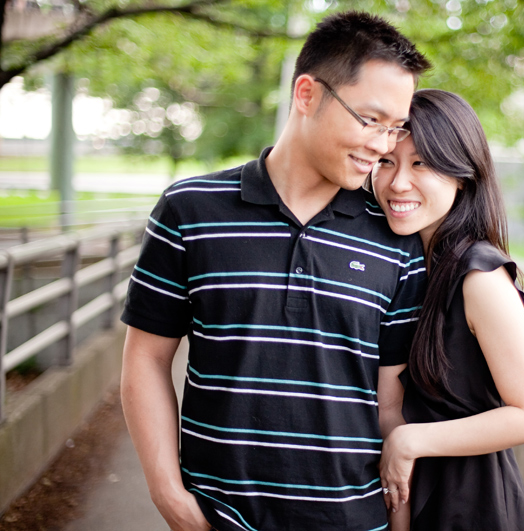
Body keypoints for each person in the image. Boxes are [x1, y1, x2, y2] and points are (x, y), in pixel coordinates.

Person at [120, 12, 430, 531]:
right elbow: (146, 361)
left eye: (395, 126)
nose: (383, 144)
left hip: (353, 521)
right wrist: (170, 497)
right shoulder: (190, 210)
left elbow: (390, 407)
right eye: (370, 119)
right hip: (217, 518)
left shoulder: (397, 240)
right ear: (307, 95)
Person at [371, 89, 524, 530]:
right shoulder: (407, 266)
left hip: (473, 506)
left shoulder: (480, 276)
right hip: (415, 498)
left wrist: (411, 439)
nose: (398, 183)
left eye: (421, 163)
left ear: (462, 175)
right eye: (386, 161)